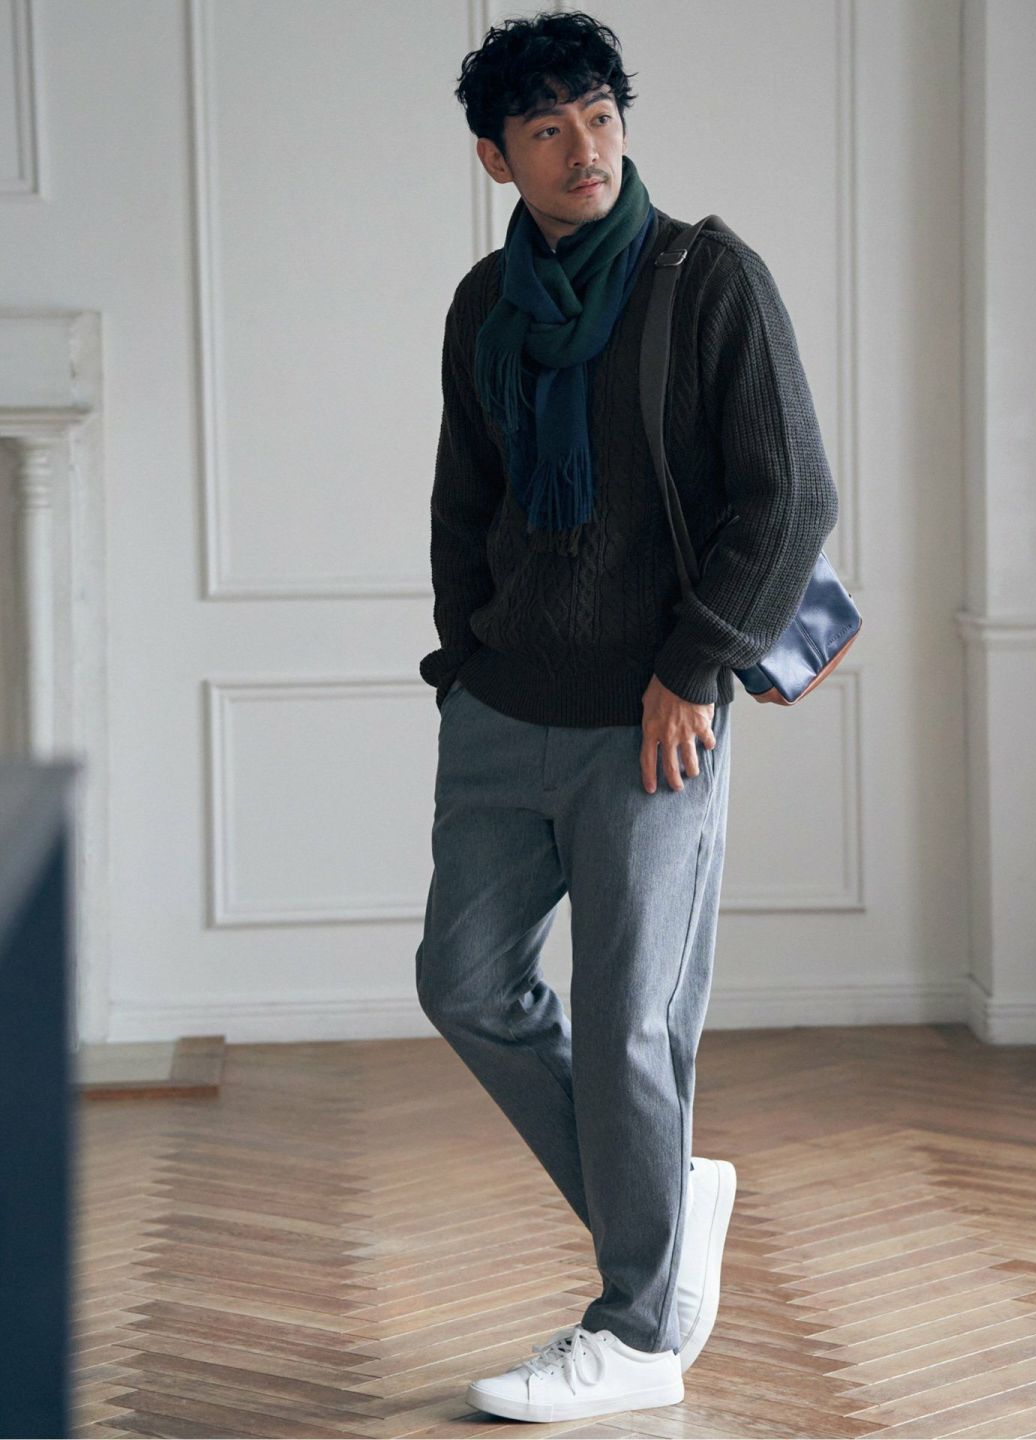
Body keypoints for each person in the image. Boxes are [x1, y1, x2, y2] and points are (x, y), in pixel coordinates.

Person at [415, 9, 839, 1424]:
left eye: (598, 114)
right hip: (501, 706)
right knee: (465, 984)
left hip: (657, 716)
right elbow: (465, 499)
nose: (583, 146)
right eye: (547, 127)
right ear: (498, 157)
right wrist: (462, 659)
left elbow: (792, 494)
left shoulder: (706, 279)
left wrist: (694, 666)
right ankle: (668, 1196)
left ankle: (642, 1334)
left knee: (629, 1029)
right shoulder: (484, 305)